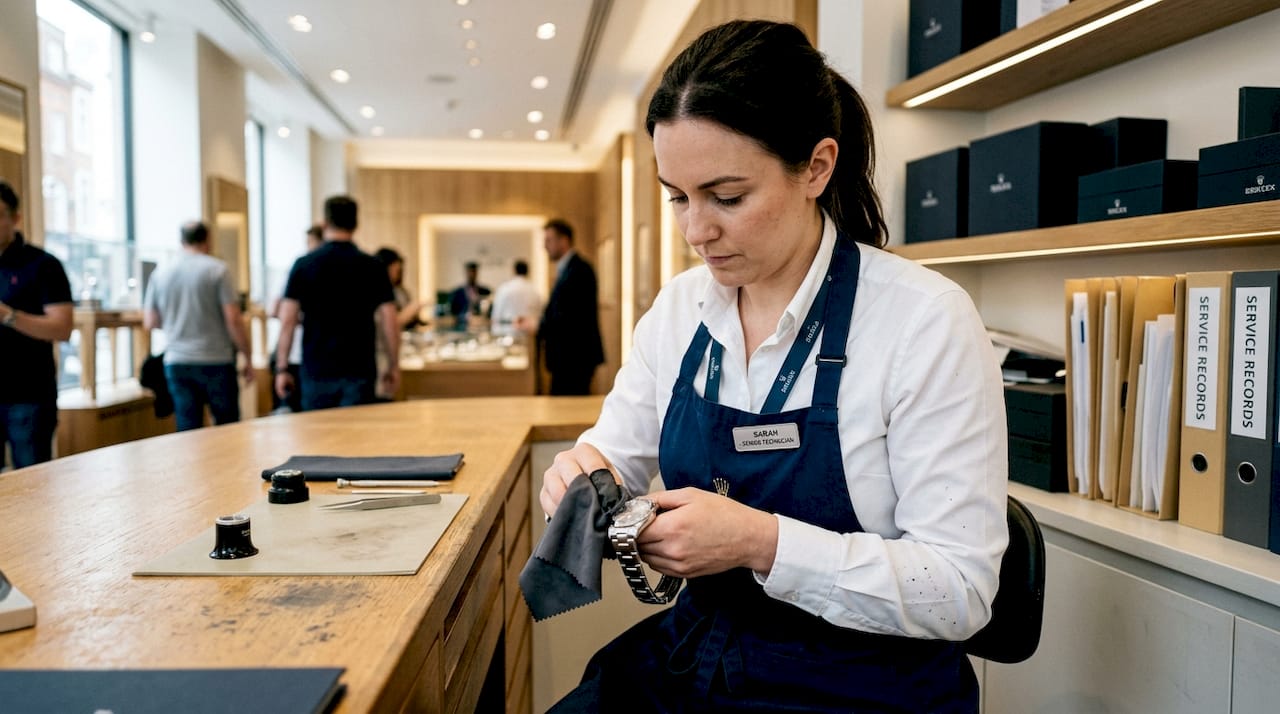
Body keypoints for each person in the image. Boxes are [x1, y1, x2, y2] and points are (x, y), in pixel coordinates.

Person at [539, 20, 1008, 713]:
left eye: (727, 197)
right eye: (678, 196)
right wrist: (584, 473)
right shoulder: (680, 311)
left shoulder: (924, 321)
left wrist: (761, 542)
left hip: (865, 686)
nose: (696, 230)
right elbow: (615, 449)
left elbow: (960, 591)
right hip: (700, 659)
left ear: (816, 167)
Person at [275, 195, 400, 410]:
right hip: (359, 368)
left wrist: (282, 368)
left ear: (324, 223)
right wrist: (393, 364)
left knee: (319, 437)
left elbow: (287, 321)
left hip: (317, 368)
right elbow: (390, 320)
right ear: (356, 224)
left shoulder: (304, 265)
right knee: (356, 437)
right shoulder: (373, 266)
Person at [142, 221, 254, 432]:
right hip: (216, 360)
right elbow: (233, 318)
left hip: (177, 360)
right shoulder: (217, 270)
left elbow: (151, 322)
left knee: (187, 429)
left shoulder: (161, 273)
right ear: (208, 239)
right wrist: (247, 357)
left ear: (181, 240)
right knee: (227, 428)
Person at [0, 179, 73, 468]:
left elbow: (62, 328)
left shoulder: (43, 265)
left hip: (28, 397)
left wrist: (8, 315)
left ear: (15, 217)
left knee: (33, 488)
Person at [537, 219, 604, 395]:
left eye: (549, 240)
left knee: (567, 411)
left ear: (564, 240)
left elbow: (570, 316)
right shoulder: (568, 269)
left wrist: (539, 325)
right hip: (567, 358)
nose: (545, 246)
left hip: (574, 358)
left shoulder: (580, 270)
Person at [270, 224, 324, 413]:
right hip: (300, 352)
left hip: (304, 353)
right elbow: (277, 311)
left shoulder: (302, 267)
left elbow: (276, 310)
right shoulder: (300, 268)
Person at [373, 246, 424, 399]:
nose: (397, 274)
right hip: (379, 355)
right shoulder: (379, 291)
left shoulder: (398, 290)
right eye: (395, 270)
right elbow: (392, 323)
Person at [490, 258, 542, 336]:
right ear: (528, 272)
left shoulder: (505, 289)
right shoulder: (535, 291)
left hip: (508, 334)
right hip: (528, 336)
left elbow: (496, 316)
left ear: (514, 270)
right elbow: (539, 315)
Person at [448, 261, 491, 329]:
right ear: (466, 273)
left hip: (481, 326)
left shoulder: (485, 291)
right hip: (462, 327)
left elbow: (489, 313)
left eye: (474, 272)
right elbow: (452, 314)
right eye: (469, 272)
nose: (472, 274)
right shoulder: (457, 293)